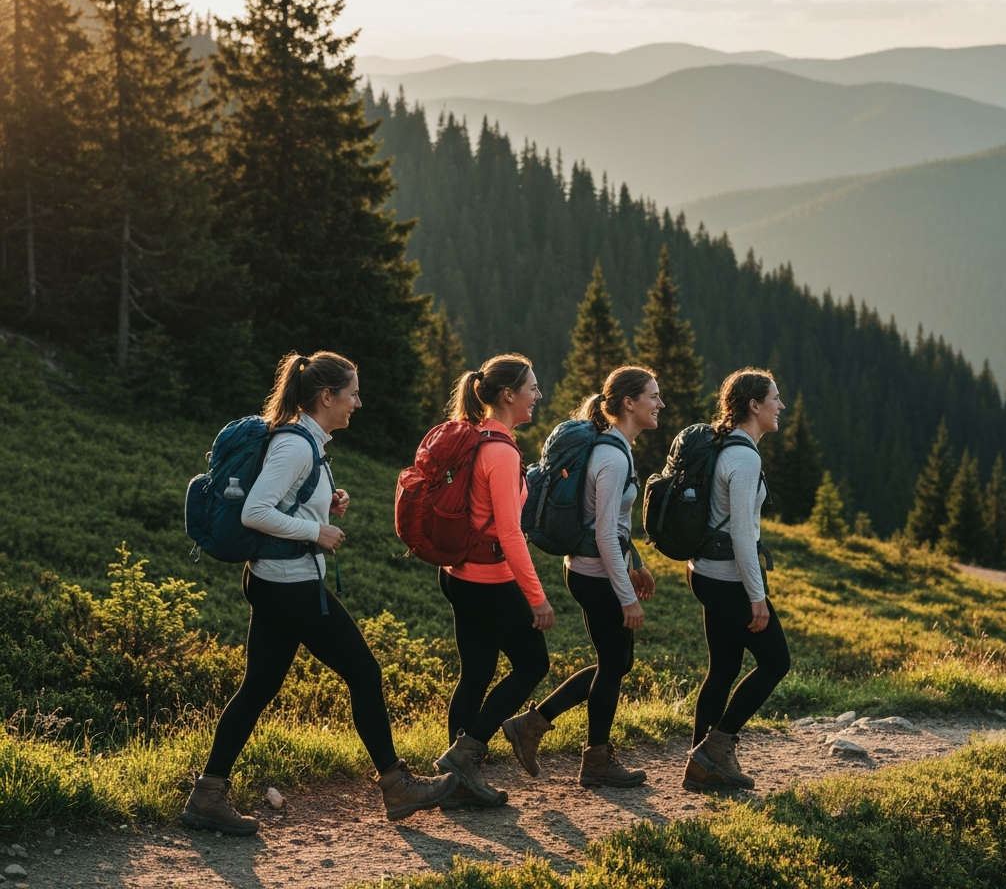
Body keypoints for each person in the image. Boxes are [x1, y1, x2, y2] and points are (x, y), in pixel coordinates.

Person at [182, 352, 456, 833]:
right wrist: (316, 533)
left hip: (274, 580)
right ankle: (396, 784)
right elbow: (255, 512)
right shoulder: (297, 446)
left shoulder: (308, 442)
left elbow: (282, 500)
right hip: (289, 584)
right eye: (351, 392)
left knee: (259, 688)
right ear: (325, 397)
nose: (358, 401)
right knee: (365, 673)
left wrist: (325, 504)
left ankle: (207, 795)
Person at [503, 366, 662, 788]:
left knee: (617, 662)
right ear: (629, 403)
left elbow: (611, 526)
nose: (659, 404)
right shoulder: (611, 455)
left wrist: (636, 562)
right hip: (596, 575)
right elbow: (606, 533)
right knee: (613, 665)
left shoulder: (616, 447)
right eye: (653, 396)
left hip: (594, 569)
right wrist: (626, 594)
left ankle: (534, 725)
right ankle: (594, 759)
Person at [433, 354, 555, 808]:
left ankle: (456, 783)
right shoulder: (501, 452)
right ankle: (467, 755)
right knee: (533, 665)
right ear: (509, 395)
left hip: (457, 574)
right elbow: (510, 533)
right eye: (532, 389)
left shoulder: (476, 440)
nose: (537, 397)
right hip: (488, 579)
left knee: (478, 671)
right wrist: (536, 598)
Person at [683, 368, 791, 792]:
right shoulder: (745, 457)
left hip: (706, 572)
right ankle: (715, 748)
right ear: (754, 405)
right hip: (729, 579)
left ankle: (702, 764)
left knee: (724, 669)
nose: (780, 406)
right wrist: (757, 596)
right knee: (775, 662)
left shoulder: (722, 445)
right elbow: (744, 535)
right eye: (775, 398)